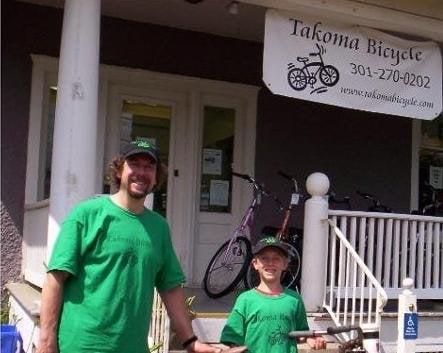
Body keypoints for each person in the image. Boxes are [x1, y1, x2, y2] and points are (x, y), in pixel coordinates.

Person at [37, 139, 220, 353]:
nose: (141, 172)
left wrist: (190, 342)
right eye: (134, 164)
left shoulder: (158, 227)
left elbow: (170, 288)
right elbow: (55, 279)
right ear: (119, 169)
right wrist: (46, 340)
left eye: (149, 166)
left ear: (156, 177)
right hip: (82, 345)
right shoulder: (86, 215)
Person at [220, 236, 326, 353]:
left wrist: (310, 339)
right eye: (264, 258)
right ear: (255, 264)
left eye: (276, 258)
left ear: (285, 264)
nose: (270, 263)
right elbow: (232, 338)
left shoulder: (294, 299)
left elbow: (300, 333)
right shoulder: (245, 300)